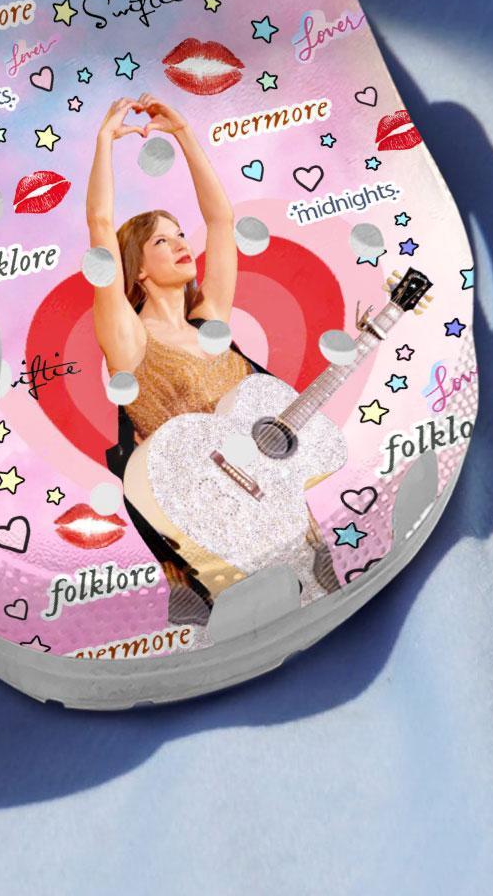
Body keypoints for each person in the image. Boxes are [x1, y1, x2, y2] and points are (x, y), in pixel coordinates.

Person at [85, 95, 335, 621]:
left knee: (325, 596)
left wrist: (183, 134)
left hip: (272, 500)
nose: (182, 244)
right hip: (207, 523)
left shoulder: (210, 320)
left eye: (180, 235)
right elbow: (101, 229)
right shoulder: (130, 340)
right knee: (258, 622)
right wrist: (105, 141)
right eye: (162, 240)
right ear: (137, 268)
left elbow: (220, 222)